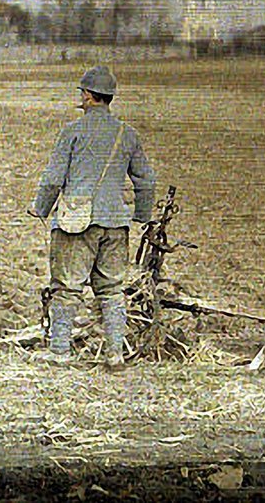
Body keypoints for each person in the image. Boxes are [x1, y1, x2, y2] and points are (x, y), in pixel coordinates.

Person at [28, 66, 156, 368]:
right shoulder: (127, 134)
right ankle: (115, 355)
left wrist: (40, 208)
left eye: (81, 92)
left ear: (87, 96)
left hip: (77, 223)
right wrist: (141, 215)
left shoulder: (72, 132)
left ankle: (59, 352)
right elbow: (146, 180)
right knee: (111, 290)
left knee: (67, 287)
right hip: (115, 224)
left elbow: (53, 178)